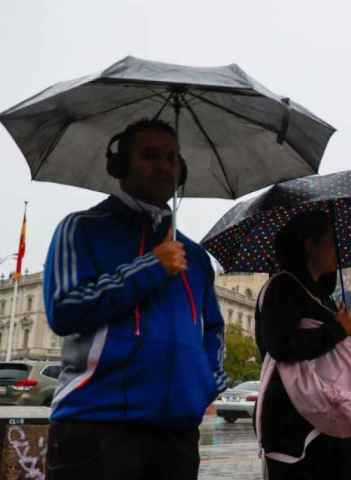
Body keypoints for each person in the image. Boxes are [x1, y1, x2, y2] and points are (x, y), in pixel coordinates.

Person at [43, 119, 226, 480]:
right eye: (150, 155)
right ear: (119, 165)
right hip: (96, 426)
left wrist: (205, 383)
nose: (163, 166)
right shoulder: (81, 229)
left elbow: (213, 329)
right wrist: (150, 267)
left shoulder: (194, 256)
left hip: (176, 434)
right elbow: (64, 309)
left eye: (172, 158)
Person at [256, 210, 351, 479]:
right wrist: (337, 330)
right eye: (330, 241)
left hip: (329, 420)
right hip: (295, 426)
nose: (337, 249)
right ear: (309, 245)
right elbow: (281, 346)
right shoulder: (282, 288)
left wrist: (348, 330)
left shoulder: (323, 298)